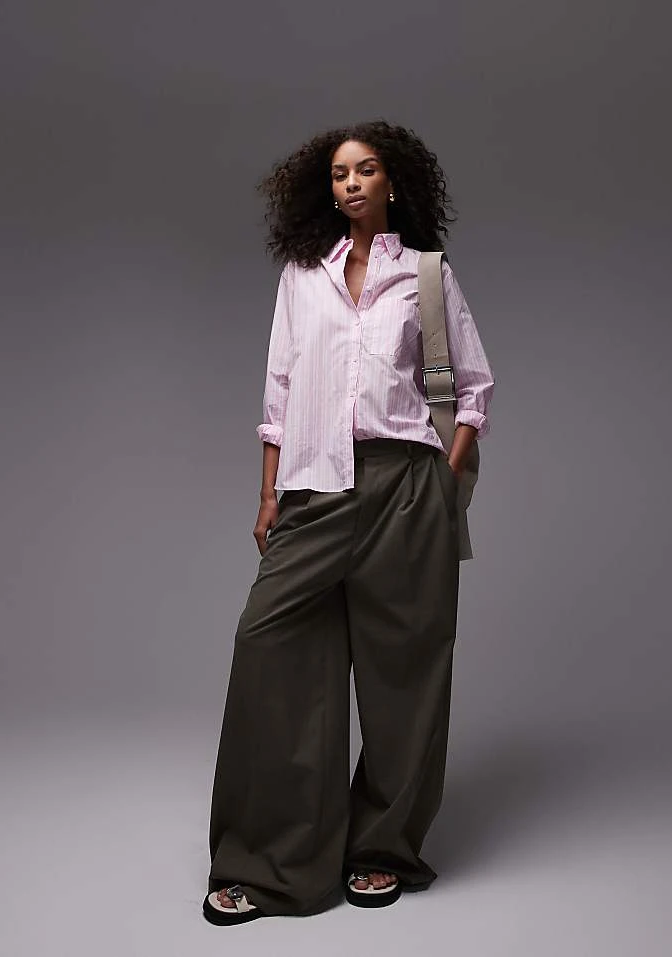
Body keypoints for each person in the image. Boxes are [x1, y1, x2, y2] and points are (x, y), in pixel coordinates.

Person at [202, 119, 495, 925]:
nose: (351, 183)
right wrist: (268, 494)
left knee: (405, 675)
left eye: (365, 170)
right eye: (339, 173)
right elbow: (278, 392)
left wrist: (440, 476)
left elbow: (472, 387)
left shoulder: (426, 276)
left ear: (393, 182)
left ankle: (382, 850)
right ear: (326, 190)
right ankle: (274, 861)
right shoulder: (303, 276)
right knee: (270, 652)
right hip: (313, 489)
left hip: (405, 486)